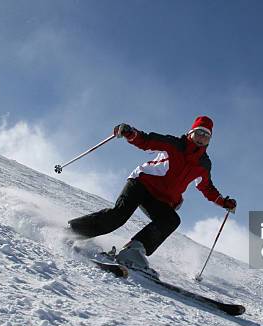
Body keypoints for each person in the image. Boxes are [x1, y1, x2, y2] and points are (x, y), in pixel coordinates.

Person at [68, 115, 237, 270]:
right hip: (141, 183)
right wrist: (130, 133)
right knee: (119, 215)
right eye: (199, 133)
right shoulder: (174, 144)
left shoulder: (204, 164)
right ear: (191, 132)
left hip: (161, 199)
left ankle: (133, 251)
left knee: (170, 220)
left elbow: (206, 187)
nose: (202, 137)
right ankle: (73, 231)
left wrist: (224, 202)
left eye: (206, 135)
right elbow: (147, 141)